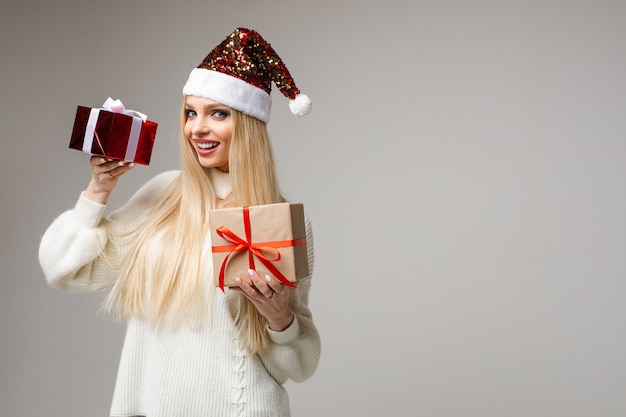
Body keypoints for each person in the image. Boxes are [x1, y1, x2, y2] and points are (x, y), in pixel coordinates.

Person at [38, 27, 320, 417]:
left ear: (248, 123)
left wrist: (280, 319)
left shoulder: (279, 221)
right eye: (190, 113)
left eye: (217, 113)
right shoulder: (164, 195)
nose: (197, 128)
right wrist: (97, 190)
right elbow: (63, 271)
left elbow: (297, 367)